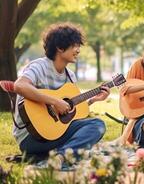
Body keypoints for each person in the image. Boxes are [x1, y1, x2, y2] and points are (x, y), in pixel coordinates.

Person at [13, 22, 109, 167]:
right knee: (92, 132)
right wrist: (55, 101)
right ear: (60, 47)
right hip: (32, 138)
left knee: (97, 125)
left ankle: (59, 157)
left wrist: (92, 101)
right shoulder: (39, 66)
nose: (78, 50)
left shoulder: (70, 76)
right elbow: (19, 85)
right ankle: (66, 153)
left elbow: (70, 112)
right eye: (75, 46)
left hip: (55, 134)